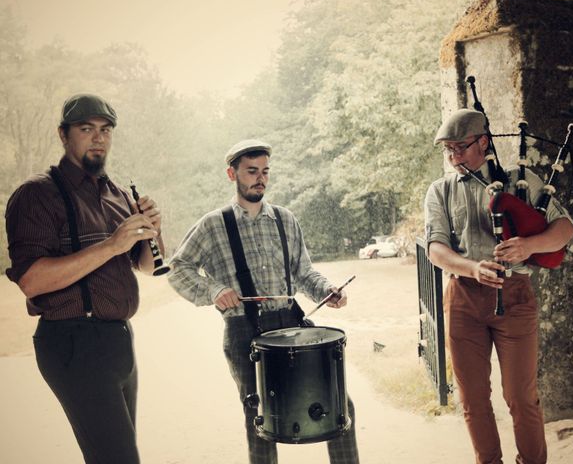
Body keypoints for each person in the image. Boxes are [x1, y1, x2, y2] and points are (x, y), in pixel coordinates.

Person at [168, 139, 360, 464]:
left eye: (265, 172)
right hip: (243, 330)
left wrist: (327, 291)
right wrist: (213, 290)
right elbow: (177, 268)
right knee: (259, 417)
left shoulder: (285, 220)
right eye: (251, 171)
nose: (260, 178)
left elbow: (304, 272)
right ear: (232, 174)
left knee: (339, 405)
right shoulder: (213, 224)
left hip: (291, 323)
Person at [4, 94, 165, 464]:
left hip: (118, 338)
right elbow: (31, 280)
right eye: (86, 129)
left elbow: (147, 266)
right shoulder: (36, 194)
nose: (98, 138)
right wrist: (111, 244)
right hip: (74, 342)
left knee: (118, 454)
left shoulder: (117, 193)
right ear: (63, 135)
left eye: (105, 130)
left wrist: (153, 230)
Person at [424, 109, 573, 464]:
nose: (454, 158)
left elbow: (565, 228)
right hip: (463, 299)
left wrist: (529, 245)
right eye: (449, 150)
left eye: (461, 148)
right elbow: (436, 250)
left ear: (484, 142)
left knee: (521, 397)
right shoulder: (440, 191)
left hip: (516, 295)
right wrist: (472, 268)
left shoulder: (519, 182)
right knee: (474, 400)